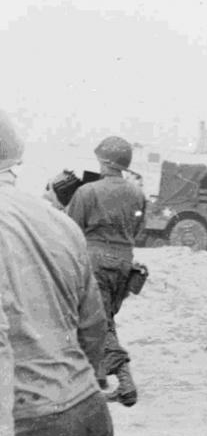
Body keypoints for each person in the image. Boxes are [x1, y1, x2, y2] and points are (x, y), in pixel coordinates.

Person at [0, 111, 134, 436]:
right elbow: (93, 322)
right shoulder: (57, 221)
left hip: (23, 426)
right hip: (81, 412)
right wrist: (88, 380)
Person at [67, 136, 146, 407]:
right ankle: (97, 378)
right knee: (105, 317)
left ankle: (125, 383)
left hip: (95, 260)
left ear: (103, 161)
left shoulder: (87, 192)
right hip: (125, 261)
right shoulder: (137, 193)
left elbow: (72, 230)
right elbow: (138, 230)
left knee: (100, 322)